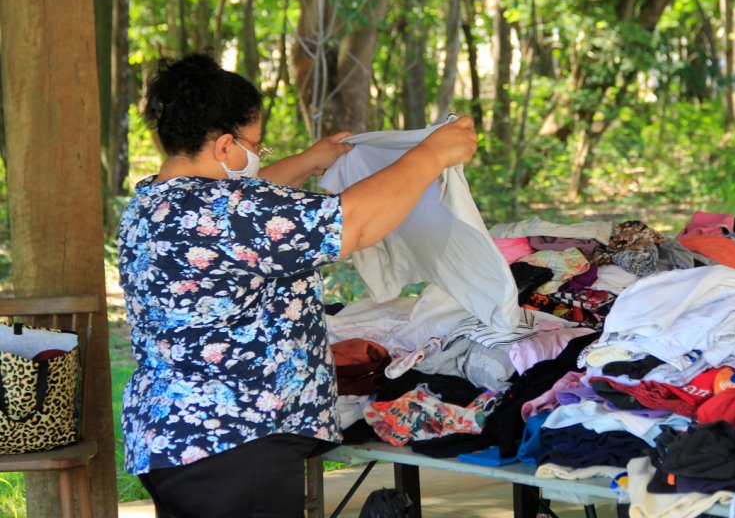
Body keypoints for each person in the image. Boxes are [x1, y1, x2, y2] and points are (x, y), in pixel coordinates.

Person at [117, 53, 477, 518]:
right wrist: (432, 155)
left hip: (175, 440)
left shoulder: (154, 202)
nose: (257, 157)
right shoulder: (230, 212)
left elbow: (239, 214)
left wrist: (308, 162)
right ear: (225, 146)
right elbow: (355, 224)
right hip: (235, 445)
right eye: (255, 145)